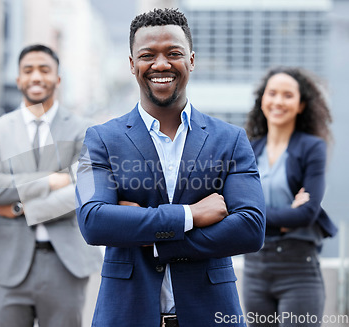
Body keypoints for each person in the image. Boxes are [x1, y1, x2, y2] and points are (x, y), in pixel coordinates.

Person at [75, 8, 266, 327]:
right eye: (148, 55)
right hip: (126, 314)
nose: (161, 64)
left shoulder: (230, 139)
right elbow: (93, 221)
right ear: (132, 64)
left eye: (173, 53)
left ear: (191, 60)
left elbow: (250, 227)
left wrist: (152, 237)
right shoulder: (100, 140)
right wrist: (190, 216)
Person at [0, 44, 103, 327]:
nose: (36, 77)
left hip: (66, 264)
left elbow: (86, 192)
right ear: (18, 79)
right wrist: (49, 180)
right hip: (7, 264)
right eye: (28, 70)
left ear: (57, 79)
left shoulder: (84, 130)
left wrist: (20, 206)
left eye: (44, 70)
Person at [242, 67, 337, 327]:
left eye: (288, 95)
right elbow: (236, 209)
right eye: (272, 93)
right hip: (254, 268)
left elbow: (306, 213)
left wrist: (257, 217)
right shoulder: (248, 148)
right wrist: (283, 218)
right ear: (262, 100)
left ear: (301, 104)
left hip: (298, 269)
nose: (278, 101)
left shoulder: (312, 147)